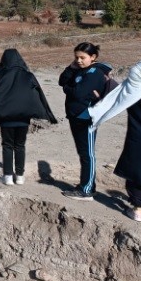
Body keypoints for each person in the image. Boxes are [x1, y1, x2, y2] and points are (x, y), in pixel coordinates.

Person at [89, 59, 141, 221]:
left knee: (135, 175)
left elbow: (113, 97)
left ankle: (137, 209)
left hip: (136, 140)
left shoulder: (131, 91)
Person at [0, 49, 57, 185]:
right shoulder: (28, 75)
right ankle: (19, 176)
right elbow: (38, 94)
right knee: (20, 146)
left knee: (7, 146)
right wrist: (47, 114)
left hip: (6, 118)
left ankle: (7, 176)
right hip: (23, 117)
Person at [58, 42, 108, 201]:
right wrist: (71, 68)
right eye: (76, 57)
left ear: (93, 57)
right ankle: (85, 185)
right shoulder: (80, 70)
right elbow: (61, 81)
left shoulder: (95, 72)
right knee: (83, 153)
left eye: (82, 57)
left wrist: (67, 88)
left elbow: (79, 93)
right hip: (76, 116)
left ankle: (87, 190)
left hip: (87, 117)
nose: (79, 60)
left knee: (88, 154)